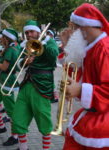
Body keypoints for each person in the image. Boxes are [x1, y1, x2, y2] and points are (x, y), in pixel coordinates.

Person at [61, 3, 109, 150]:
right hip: (92, 115)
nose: (72, 32)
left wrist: (80, 90)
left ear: (84, 28)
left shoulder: (104, 49)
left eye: (74, 28)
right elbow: (76, 73)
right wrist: (68, 46)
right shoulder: (91, 47)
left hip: (103, 122)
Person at [11, 20, 59, 150]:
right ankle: (23, 147)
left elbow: (54, 56)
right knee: (17, 119)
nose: (29, 34)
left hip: (42, 85)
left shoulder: (49, 41)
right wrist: (25, 62)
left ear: (38, 32)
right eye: (26, 32)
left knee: (44, 121)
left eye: (31, 31)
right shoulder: (24, 45)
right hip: (26, 84)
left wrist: (43, 43)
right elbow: (17, 64)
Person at [0, 28, 21, 146]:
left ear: (7, 39)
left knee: (11, 112)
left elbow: (4, 67)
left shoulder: (11, 50)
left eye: (2, 37)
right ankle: (1, 127)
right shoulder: (6, 49)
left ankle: (15, 136)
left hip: (8, 82)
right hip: (1, 81)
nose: (0, 38)